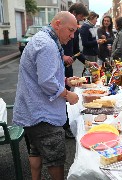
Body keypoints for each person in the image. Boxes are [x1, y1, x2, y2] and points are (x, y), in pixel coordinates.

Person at [13, 11, 80, 180]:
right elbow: (47, 82)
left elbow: (43, 74)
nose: (72, 36)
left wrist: (65, 80)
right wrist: (67, 94)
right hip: (43, 114)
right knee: (56, 159)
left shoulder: (44, 39)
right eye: (70, 30)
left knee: (36, 149)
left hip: (32, 111)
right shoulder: (47, 45)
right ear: (58, 24)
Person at [62, 2, 89, 139]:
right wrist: (62, 56)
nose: (79, 22)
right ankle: (63, 126)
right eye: (80, 18)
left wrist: (87, 62)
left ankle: (65, 125)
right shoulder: (60, 27)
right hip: (58, 68)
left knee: (66, 98)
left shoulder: (75, 30)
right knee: (61, 96)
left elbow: (76, 51)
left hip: (68, 69)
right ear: (73, 13)